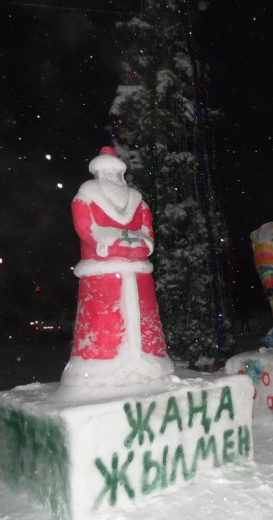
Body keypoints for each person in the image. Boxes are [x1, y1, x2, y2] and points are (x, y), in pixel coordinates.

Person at [60, 146, 173, 387]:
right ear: (98, 173)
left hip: (138, 268)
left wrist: (142, 242)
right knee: (104, 321)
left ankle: (150, 361)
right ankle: (98, 367)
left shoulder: (137, 200)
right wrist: (107, 240)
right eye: (107, 173)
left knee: (144, 320)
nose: (112, 177)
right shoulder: (86, 195)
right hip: (101, 271)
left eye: (116, 173)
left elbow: (146, 228)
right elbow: (86, 226)